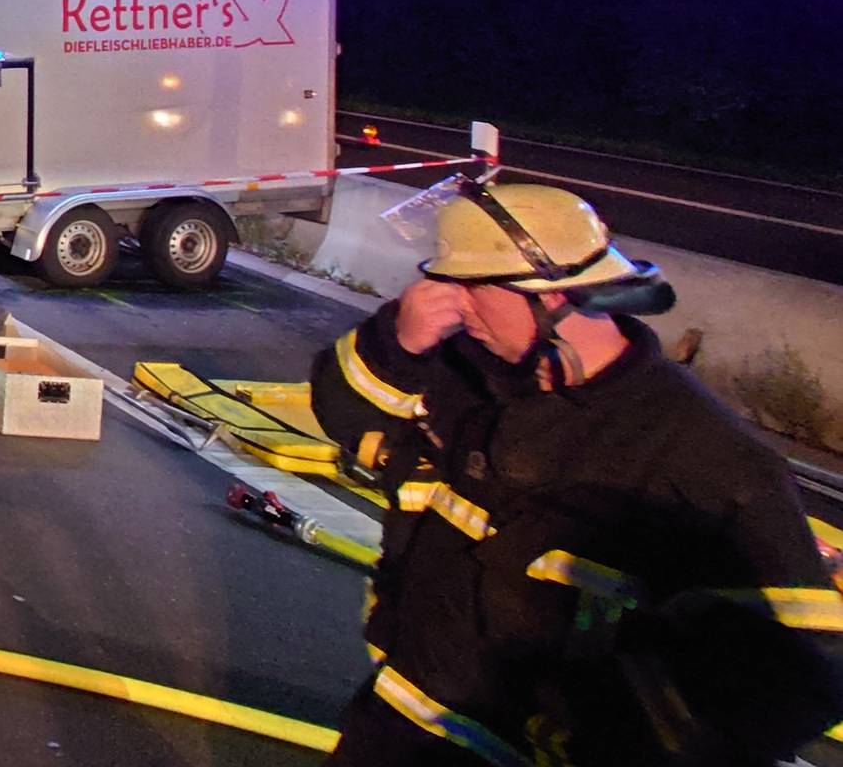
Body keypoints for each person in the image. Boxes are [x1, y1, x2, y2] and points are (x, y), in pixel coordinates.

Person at [313, 179, 843, 764]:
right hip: (397, 729)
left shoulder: (705, 456)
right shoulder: (464, 376)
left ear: (556, 296)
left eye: (470, 285)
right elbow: (343, 413)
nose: (450, 303)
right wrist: (395, 344)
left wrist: (630, 735)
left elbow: (800, 673)